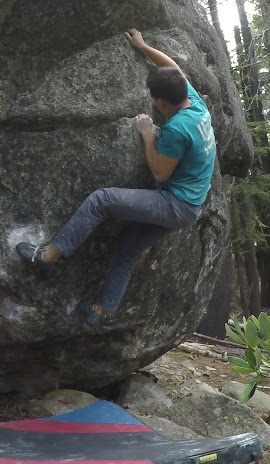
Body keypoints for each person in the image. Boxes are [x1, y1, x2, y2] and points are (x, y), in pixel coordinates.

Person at [15, 28, 217, 327]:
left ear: (162, 103)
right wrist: (143, 47)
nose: (154, 103)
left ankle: (48, 256)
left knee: (102, 200)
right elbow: (173, 67)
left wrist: (147, 134)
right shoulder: (195, 104)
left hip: (176, 204)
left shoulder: (177, 128)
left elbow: (160, 172)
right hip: (190, 204)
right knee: (126, 248)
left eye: (155, 100)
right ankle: (100, 312)